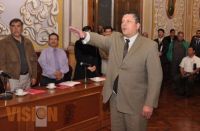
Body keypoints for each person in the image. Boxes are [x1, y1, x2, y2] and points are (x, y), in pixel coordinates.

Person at [70, 12, 162, 131]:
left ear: (138, 26)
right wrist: (84, 35)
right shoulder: (115, 38)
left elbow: (156, 78)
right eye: (122, 21)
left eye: (128, 21)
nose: (124, 24)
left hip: (135, 103)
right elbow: (101, 40)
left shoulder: (149, 46)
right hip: (115, 99)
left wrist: (149, 103)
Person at [0, 18, 37, 92]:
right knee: (14, 102)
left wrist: (34, 76)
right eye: (13, 26)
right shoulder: (3, 43)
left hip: (27, 78)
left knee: (27, 100)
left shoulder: (28, 42)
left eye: (18, 26)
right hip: (12, 79)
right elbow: (1, 64)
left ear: (22, 28)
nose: (16, 29)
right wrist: (5, 81)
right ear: (10, 28)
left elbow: (34, 61)